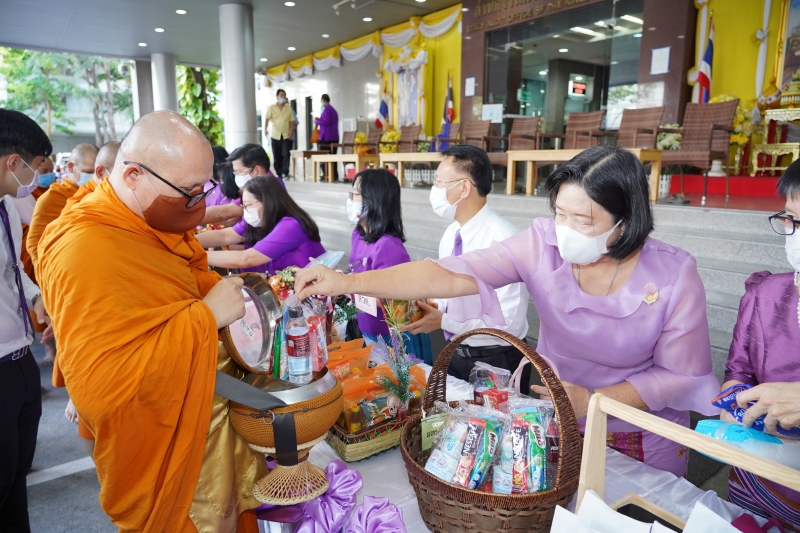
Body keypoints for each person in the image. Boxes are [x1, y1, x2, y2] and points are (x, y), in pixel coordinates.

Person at [296, 145, 721, 477]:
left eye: (584, 221)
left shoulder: (671, 273)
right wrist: (347, 283)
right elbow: (448, 274)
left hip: (640, 431)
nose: (567, 232)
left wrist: (594, 400)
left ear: (625, 222)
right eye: (560, 214)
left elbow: (678, 375)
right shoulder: (541, 244)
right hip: (558, 418)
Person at [36, 110, 265, 532]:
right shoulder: (86, 249)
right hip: (162, 441)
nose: (198, 203)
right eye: (189, 191)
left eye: (204, 188)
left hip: (206, 413)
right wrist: (206, 316)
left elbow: (180, 278)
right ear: (134, 175)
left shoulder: (145, 218)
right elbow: (103, 390)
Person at [403, 145, 530, 384]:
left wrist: (444, 321)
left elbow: (508, 323)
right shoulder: (452, 233)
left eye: (440, 182)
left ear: (463, 188)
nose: (435, 190)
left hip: (496, 359)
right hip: (457, 350)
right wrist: (430, 307)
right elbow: (447, 291)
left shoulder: (503, 240)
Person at [722, 159, 800, 530]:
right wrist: (732, 403)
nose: (796, 233)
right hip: (760, 478)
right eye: (790, 220)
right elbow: (739, 370)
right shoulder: (766, 294)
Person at [0, 108, 53, 533]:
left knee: (16, 478)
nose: (37, 180)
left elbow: (13, 272)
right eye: (36, 169)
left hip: (20, 359)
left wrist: (36, 298)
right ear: (11, 163)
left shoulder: (7, 208)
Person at [347, 169, 432, 361]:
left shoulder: (387, 246)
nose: (350, 199)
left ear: (373, 200)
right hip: (370, 328)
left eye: (355, 194)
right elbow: (355, 274)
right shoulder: (359, 235)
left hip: (395, 336)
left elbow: (392, 300)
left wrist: (346, 287)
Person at [196, 175, 325, 274]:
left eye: (248, 205)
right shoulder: (262, 220)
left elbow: (247, 258)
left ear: (267, 202)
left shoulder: (291, 225)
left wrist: (194, 255)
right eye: (243, 206)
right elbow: (225, 236)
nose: (245, 211)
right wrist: (188, 243)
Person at [27, 142, 98, 271]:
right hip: (60, 269)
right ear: (71, 167)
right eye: (88, 171)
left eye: (97, 171)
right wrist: (48, 276)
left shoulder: (98, 194)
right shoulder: (52, 199)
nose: (94, 177)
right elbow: (34, 243)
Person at [62, 141, 119, 214]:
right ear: (100, 172)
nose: (93, 175)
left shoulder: (111, 194)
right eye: (88, 172)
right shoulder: (79, 203)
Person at [264, 88, 295, 179]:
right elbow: (267, 119)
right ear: (277, 97)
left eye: (284, 95)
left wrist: (291, 131)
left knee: (286, 153)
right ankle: (279, 172)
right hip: (275, 135)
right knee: (276, 154)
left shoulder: (288, 108)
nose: (283, 97)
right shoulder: (271, 108)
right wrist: (265, 129)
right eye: (281, 95)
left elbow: (291, 121)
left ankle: (285, 172)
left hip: (285, 135)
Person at [315, 94, 339, 181]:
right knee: (333, 157)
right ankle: (334, 175)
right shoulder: (333, 110)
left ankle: (326, 174)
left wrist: (317, 121)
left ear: (323, 100)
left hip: (326, 138)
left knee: (322, 156)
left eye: (321, 101)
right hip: (334, 137)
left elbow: (326, 121)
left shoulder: (326, 109)